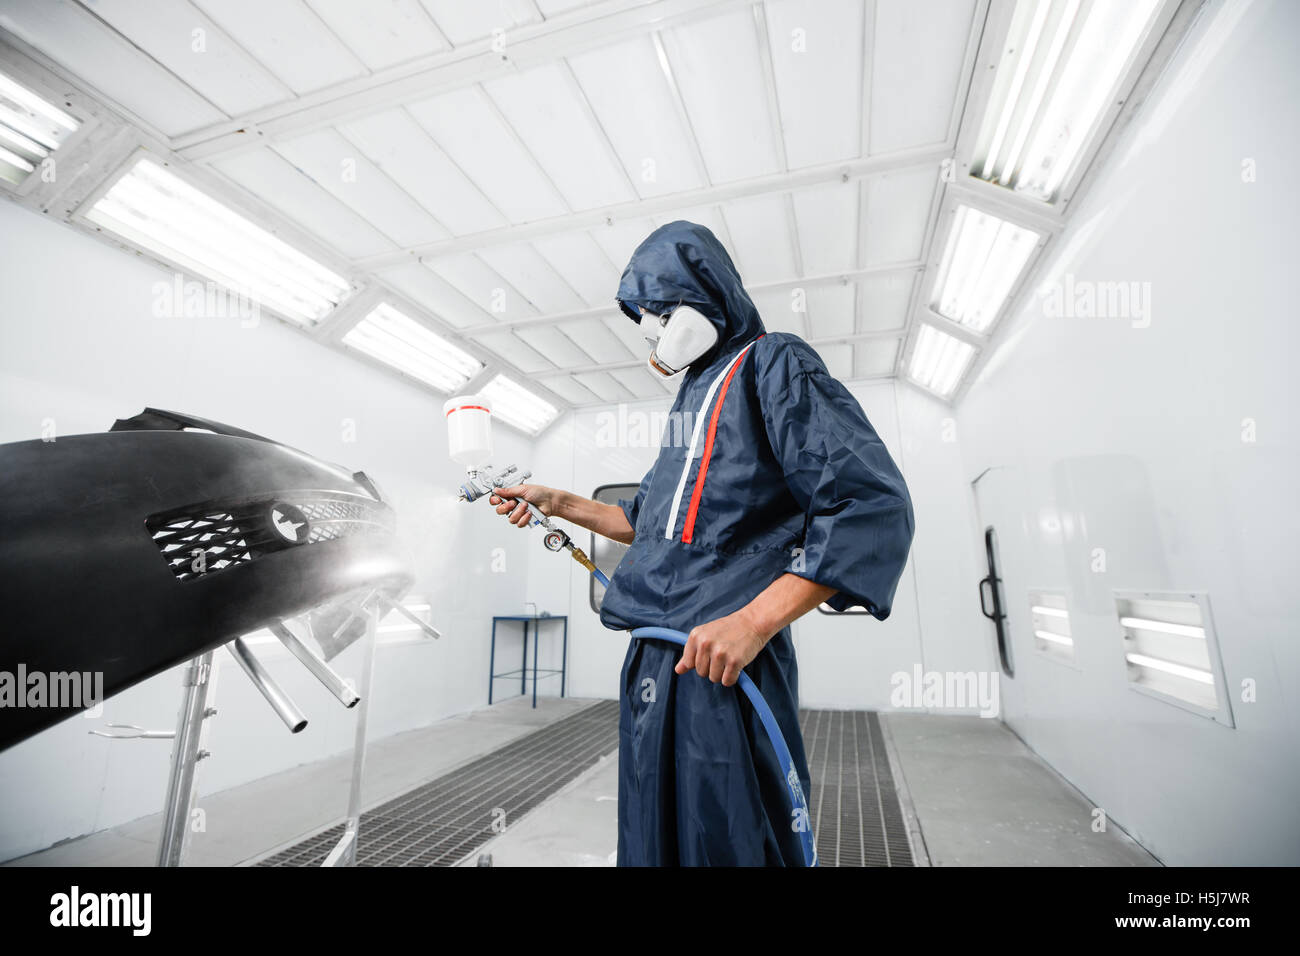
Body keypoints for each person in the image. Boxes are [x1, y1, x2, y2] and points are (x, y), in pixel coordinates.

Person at [489, 220, 914, 866]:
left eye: (661, 312)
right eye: (645, 317)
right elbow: (649, 519)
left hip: (726, 667)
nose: (654, 331)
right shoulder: (690, 401)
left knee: (729, 841)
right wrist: (555, 502)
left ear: (703, 297)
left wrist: (752, 621)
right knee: (651, 841)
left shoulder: (773, 364)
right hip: (654, 665)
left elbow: (869, 503)